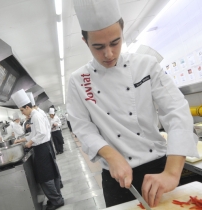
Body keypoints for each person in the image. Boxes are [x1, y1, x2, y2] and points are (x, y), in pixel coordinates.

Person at [67, 0, 199, 208]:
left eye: (115, 42)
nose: (109, 54)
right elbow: (82, 126)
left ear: (122, 32)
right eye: (98, 47)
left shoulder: (146, 65)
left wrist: (172, 172)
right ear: (85, 41)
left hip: (159, 168)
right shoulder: (78, 80)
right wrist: (111, 155)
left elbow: (176, 111)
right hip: (116, 177)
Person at [12, 89, 64, 210]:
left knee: (45, 177)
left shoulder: (35, 116)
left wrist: (29, 142)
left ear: (26, 107)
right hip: (44, 147)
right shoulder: (36, 115)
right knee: (51, 174)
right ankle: (56, 198)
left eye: (22, 110)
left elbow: (40, 134)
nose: (22, 113)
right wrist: (22, 140)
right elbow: (35, 133)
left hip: (41, 148)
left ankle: (56, 201)